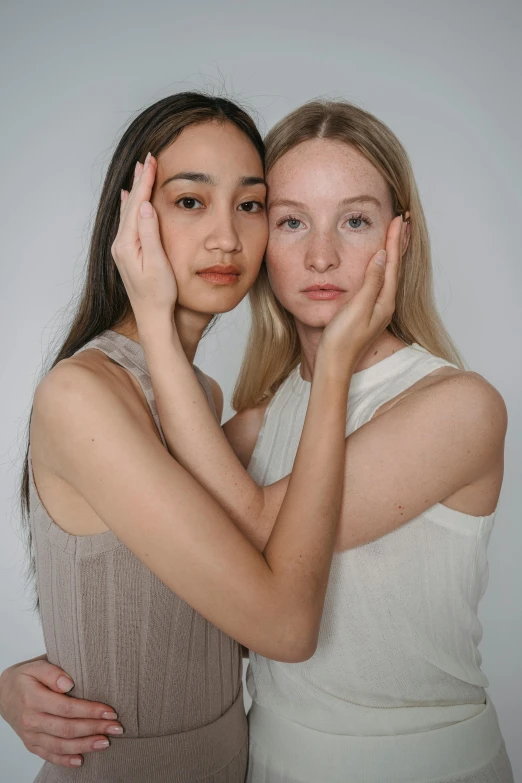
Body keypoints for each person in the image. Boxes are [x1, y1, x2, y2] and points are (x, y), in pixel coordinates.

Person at [2, 98, 512, 782]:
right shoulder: (244, 413)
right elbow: (208, 599)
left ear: (400, 238)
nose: (321, 253)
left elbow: (240, 556)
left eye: (354, 220)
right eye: (290, 220)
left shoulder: (455, 407)